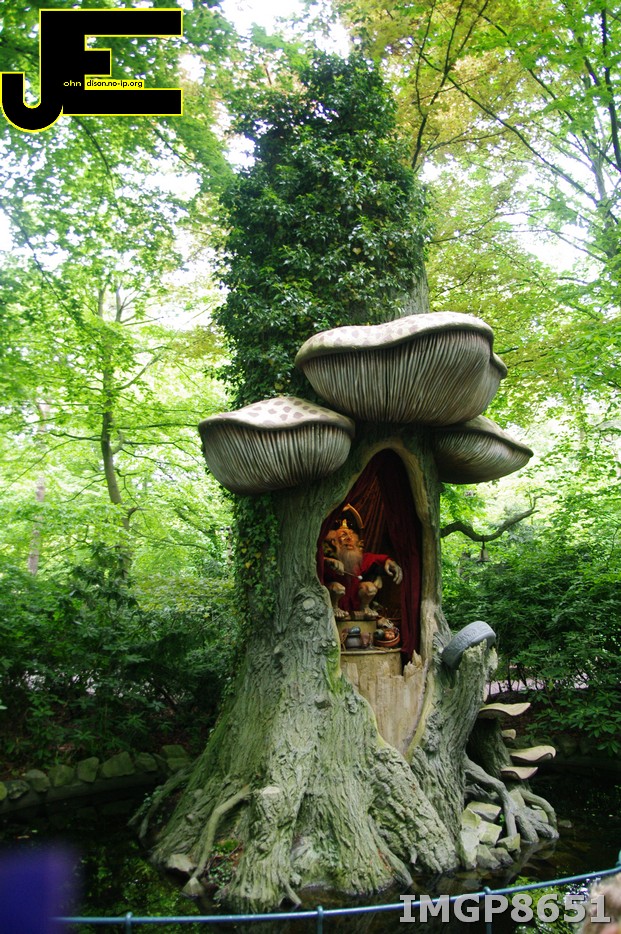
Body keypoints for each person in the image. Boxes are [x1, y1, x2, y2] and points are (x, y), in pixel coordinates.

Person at [322, 507, 402, 620]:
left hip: (354, 604)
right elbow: (317, 564)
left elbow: (376, 559)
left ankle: (364, 607)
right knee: (337, 587)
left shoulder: (358, 559)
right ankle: (334, 608)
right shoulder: (329, 557)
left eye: (351, 535)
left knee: (370, 588)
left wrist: (389, 561)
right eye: (343, 535)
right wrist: (327, 561)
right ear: (334, 542)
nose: (349, 538)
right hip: (331, 602)